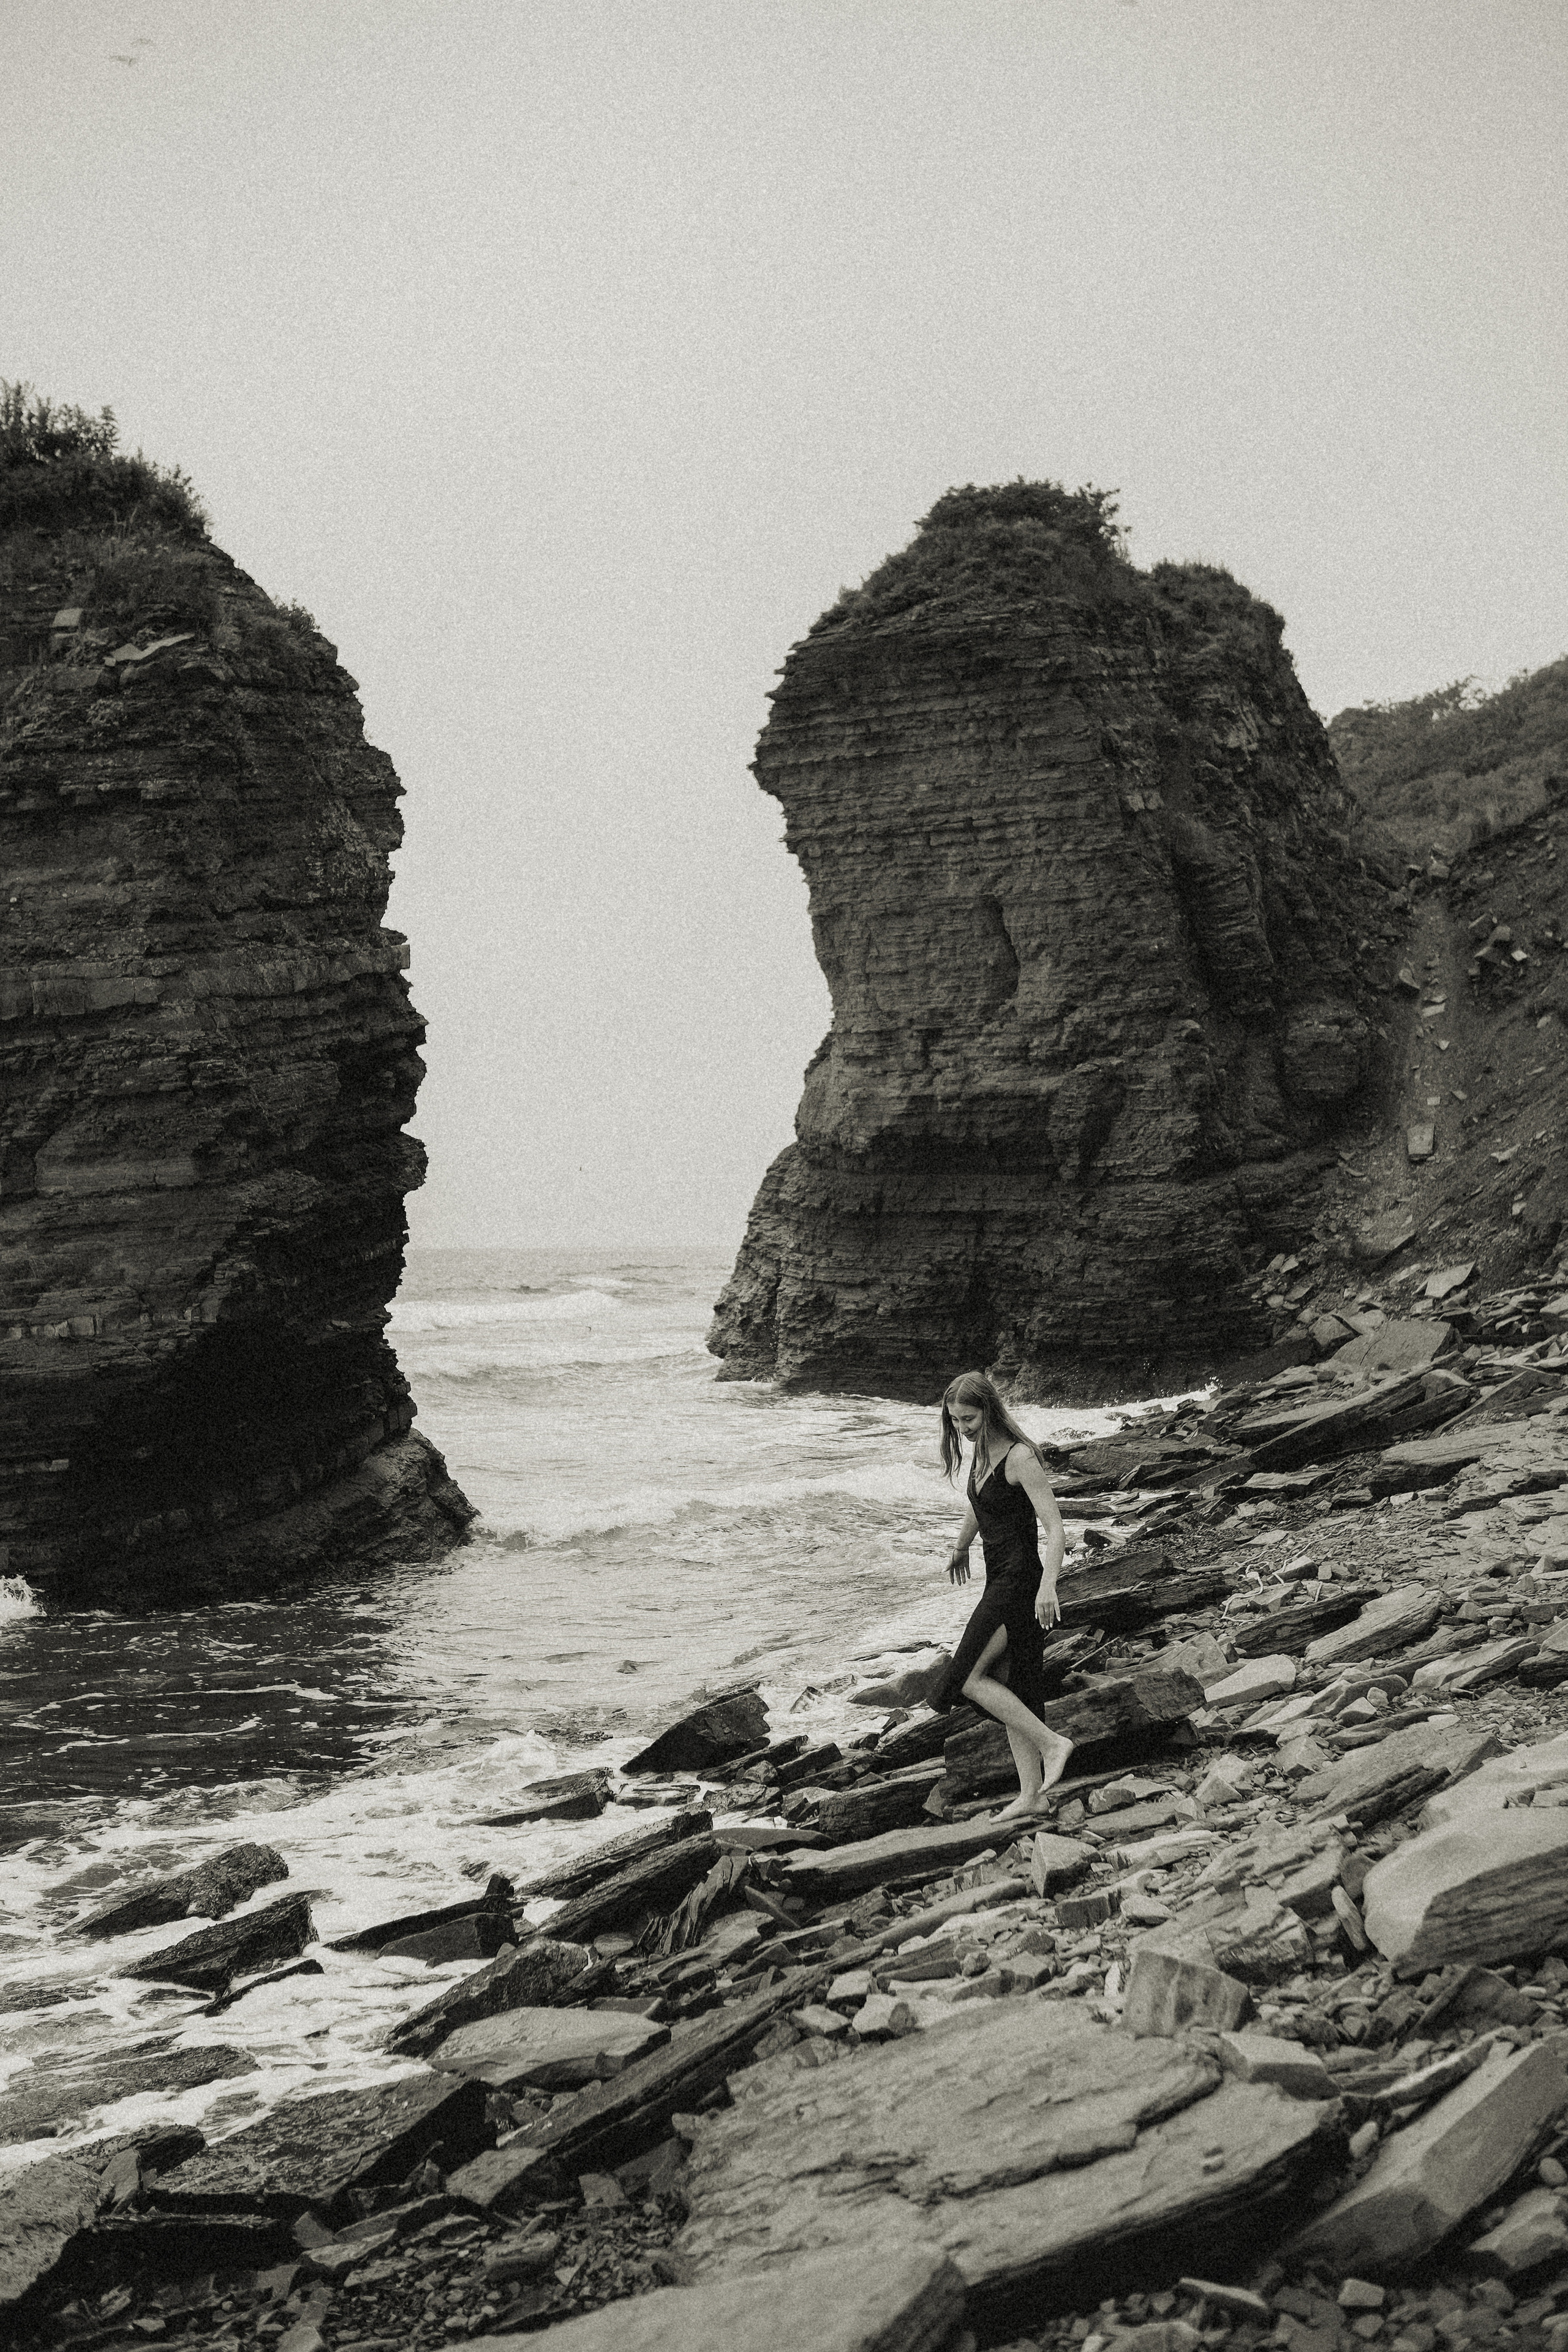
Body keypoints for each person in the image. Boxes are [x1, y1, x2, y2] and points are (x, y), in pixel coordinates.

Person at [929, 1370, 1074, 1819]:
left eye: (968, 1419)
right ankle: (1032, 1796)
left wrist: (1049, 1584)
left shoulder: (1020, 1457)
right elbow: (981, 1504)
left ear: (990, 1409)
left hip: (1021, 1583)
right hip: (999, 1579)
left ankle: (1054, 1744)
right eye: (954, 1420)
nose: (962, 1428)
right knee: (1018, 1686)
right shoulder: (979, 1452)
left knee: (964, 1678)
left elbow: (1055, 1528)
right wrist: (960, 1545)